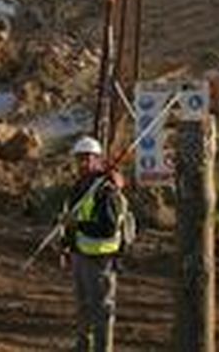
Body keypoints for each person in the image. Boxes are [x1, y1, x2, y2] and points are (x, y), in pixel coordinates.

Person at [57, 134, 135, 352]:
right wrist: (65, 245)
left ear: (97, 159)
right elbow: (71, 218)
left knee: (101, 310)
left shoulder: (105, 190)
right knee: (83, 307)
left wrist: (78, 225)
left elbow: (107, 228)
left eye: (87, 158)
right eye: (79, 158)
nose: (83, 163)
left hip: (101, 259)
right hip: (80, 255)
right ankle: (84, 346)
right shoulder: (79, 186)